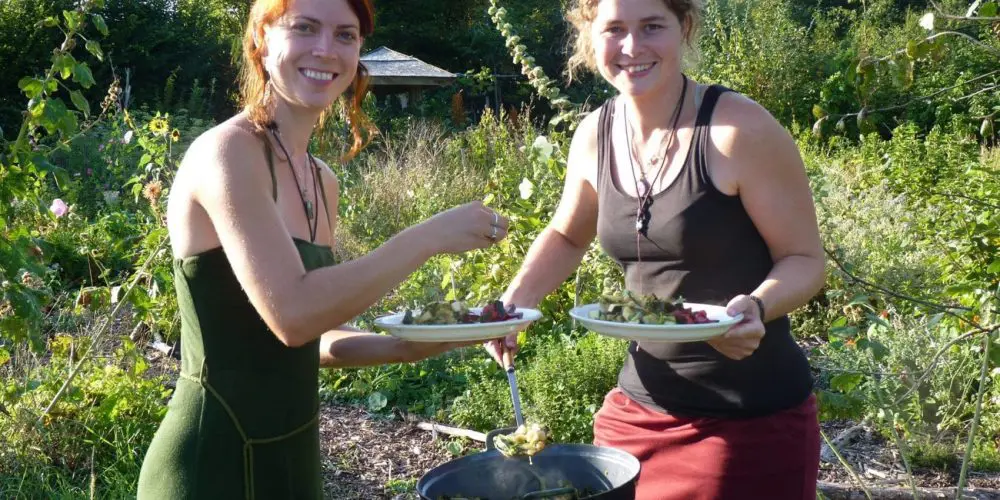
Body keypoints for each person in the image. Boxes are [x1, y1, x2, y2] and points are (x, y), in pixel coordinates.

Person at [136, 0, 509, 497]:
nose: (326, 49)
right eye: (305, 28)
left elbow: (311, 336)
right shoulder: (227, 152)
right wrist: (428, 237)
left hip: (294, 458)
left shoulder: (320, 179)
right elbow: (292, 314)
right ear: (262, 39)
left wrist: (406, 348)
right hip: (210, 461)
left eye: (345, 35)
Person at [486, 0, 825, 498]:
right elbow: (567, 235)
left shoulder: (738, 130)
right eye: (614, 29)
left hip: (747, 420)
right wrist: (512, 306)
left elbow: (805, 260)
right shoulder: (594, 133)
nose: (632, 46)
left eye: (651, 26)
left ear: (683, 27)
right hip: (638, 411)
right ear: (590, 36)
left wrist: (756, 306)